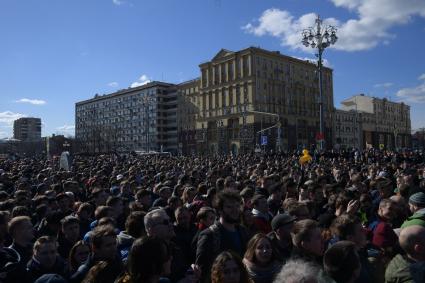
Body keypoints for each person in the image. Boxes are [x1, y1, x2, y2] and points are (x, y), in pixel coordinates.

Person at [196, 190, 249, 283]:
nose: (235, 210)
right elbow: (202, 271)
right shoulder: (209, 235)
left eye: (237, 206)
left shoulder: (242, 231)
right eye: (229, 207)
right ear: (220, 210)